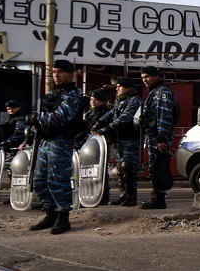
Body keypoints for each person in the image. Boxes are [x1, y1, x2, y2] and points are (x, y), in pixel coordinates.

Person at [28, 60, 85, 235]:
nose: (56, 75)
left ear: (70, 74)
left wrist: (37, 117)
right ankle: (50, 213)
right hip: (45, 140)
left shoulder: (74, 95)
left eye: (60, 72)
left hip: (60, 142)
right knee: (39, 181)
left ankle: (63, 216)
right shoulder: (53, 94)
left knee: (57, 180)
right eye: (53, 72)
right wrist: (35, 122)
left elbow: (60, 118)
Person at [95, 77, 141, 206]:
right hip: (119, 139)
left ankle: (131, 197)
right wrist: (99, 123)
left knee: (128, 168)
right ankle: (123, 195)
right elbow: (111, 114)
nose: (117, 88)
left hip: (130, 139)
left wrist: (107, 128)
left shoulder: (134, 100)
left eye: (120, 86)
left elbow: (125, 117)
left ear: (128, 87)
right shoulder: (120, 100)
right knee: (121, 168)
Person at [139, 65, 178, 210]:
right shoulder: (153, 92)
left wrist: (162, 138)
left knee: (159, 166)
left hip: (159, 137)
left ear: (155, 76)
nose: (145, 80)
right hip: (154, 136)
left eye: (147, 77)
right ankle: (157, 196)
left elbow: (164, 116)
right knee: (155, 166)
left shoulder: (162, 93)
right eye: (143, 78)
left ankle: (159, 198)